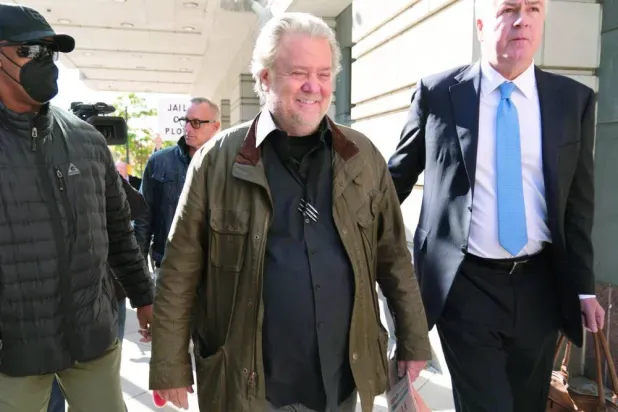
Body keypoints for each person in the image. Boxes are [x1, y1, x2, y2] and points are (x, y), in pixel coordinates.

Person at [148, 12, 431, 412]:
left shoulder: (362, 157)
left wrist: (414, 341)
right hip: (249, 386)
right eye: (299, 73)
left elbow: (395, 259)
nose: (314, 86)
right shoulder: (216, 161)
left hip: (339, 381)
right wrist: (169, 365)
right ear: (265, 78)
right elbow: (180, 270)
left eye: (324, 74)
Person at [387, 0, 605, 411]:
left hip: (540, 285)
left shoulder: (572, 100)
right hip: (465, 284)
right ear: (482, 25)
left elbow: (578, 203)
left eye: (533, 9)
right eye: (509, 9)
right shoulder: (439, 94)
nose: (522, 20)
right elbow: (393, 182)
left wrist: (583, 288)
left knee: (527, 403)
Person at [0, 4, 155, 412]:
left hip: (92, 337)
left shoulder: (87, 140)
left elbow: (118, 229)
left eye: (50, 52)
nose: (46, 62)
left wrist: (144, 296)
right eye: (31, 51)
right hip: (14, 350)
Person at [134, 98, 220, 277]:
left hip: (214, 269)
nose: (187, 128)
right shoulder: (159, 161)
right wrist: (137, 274)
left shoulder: (227, 163)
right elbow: (143, 217)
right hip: (168, 265)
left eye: (196, 123)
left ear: (215, 126)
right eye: (185, 121)